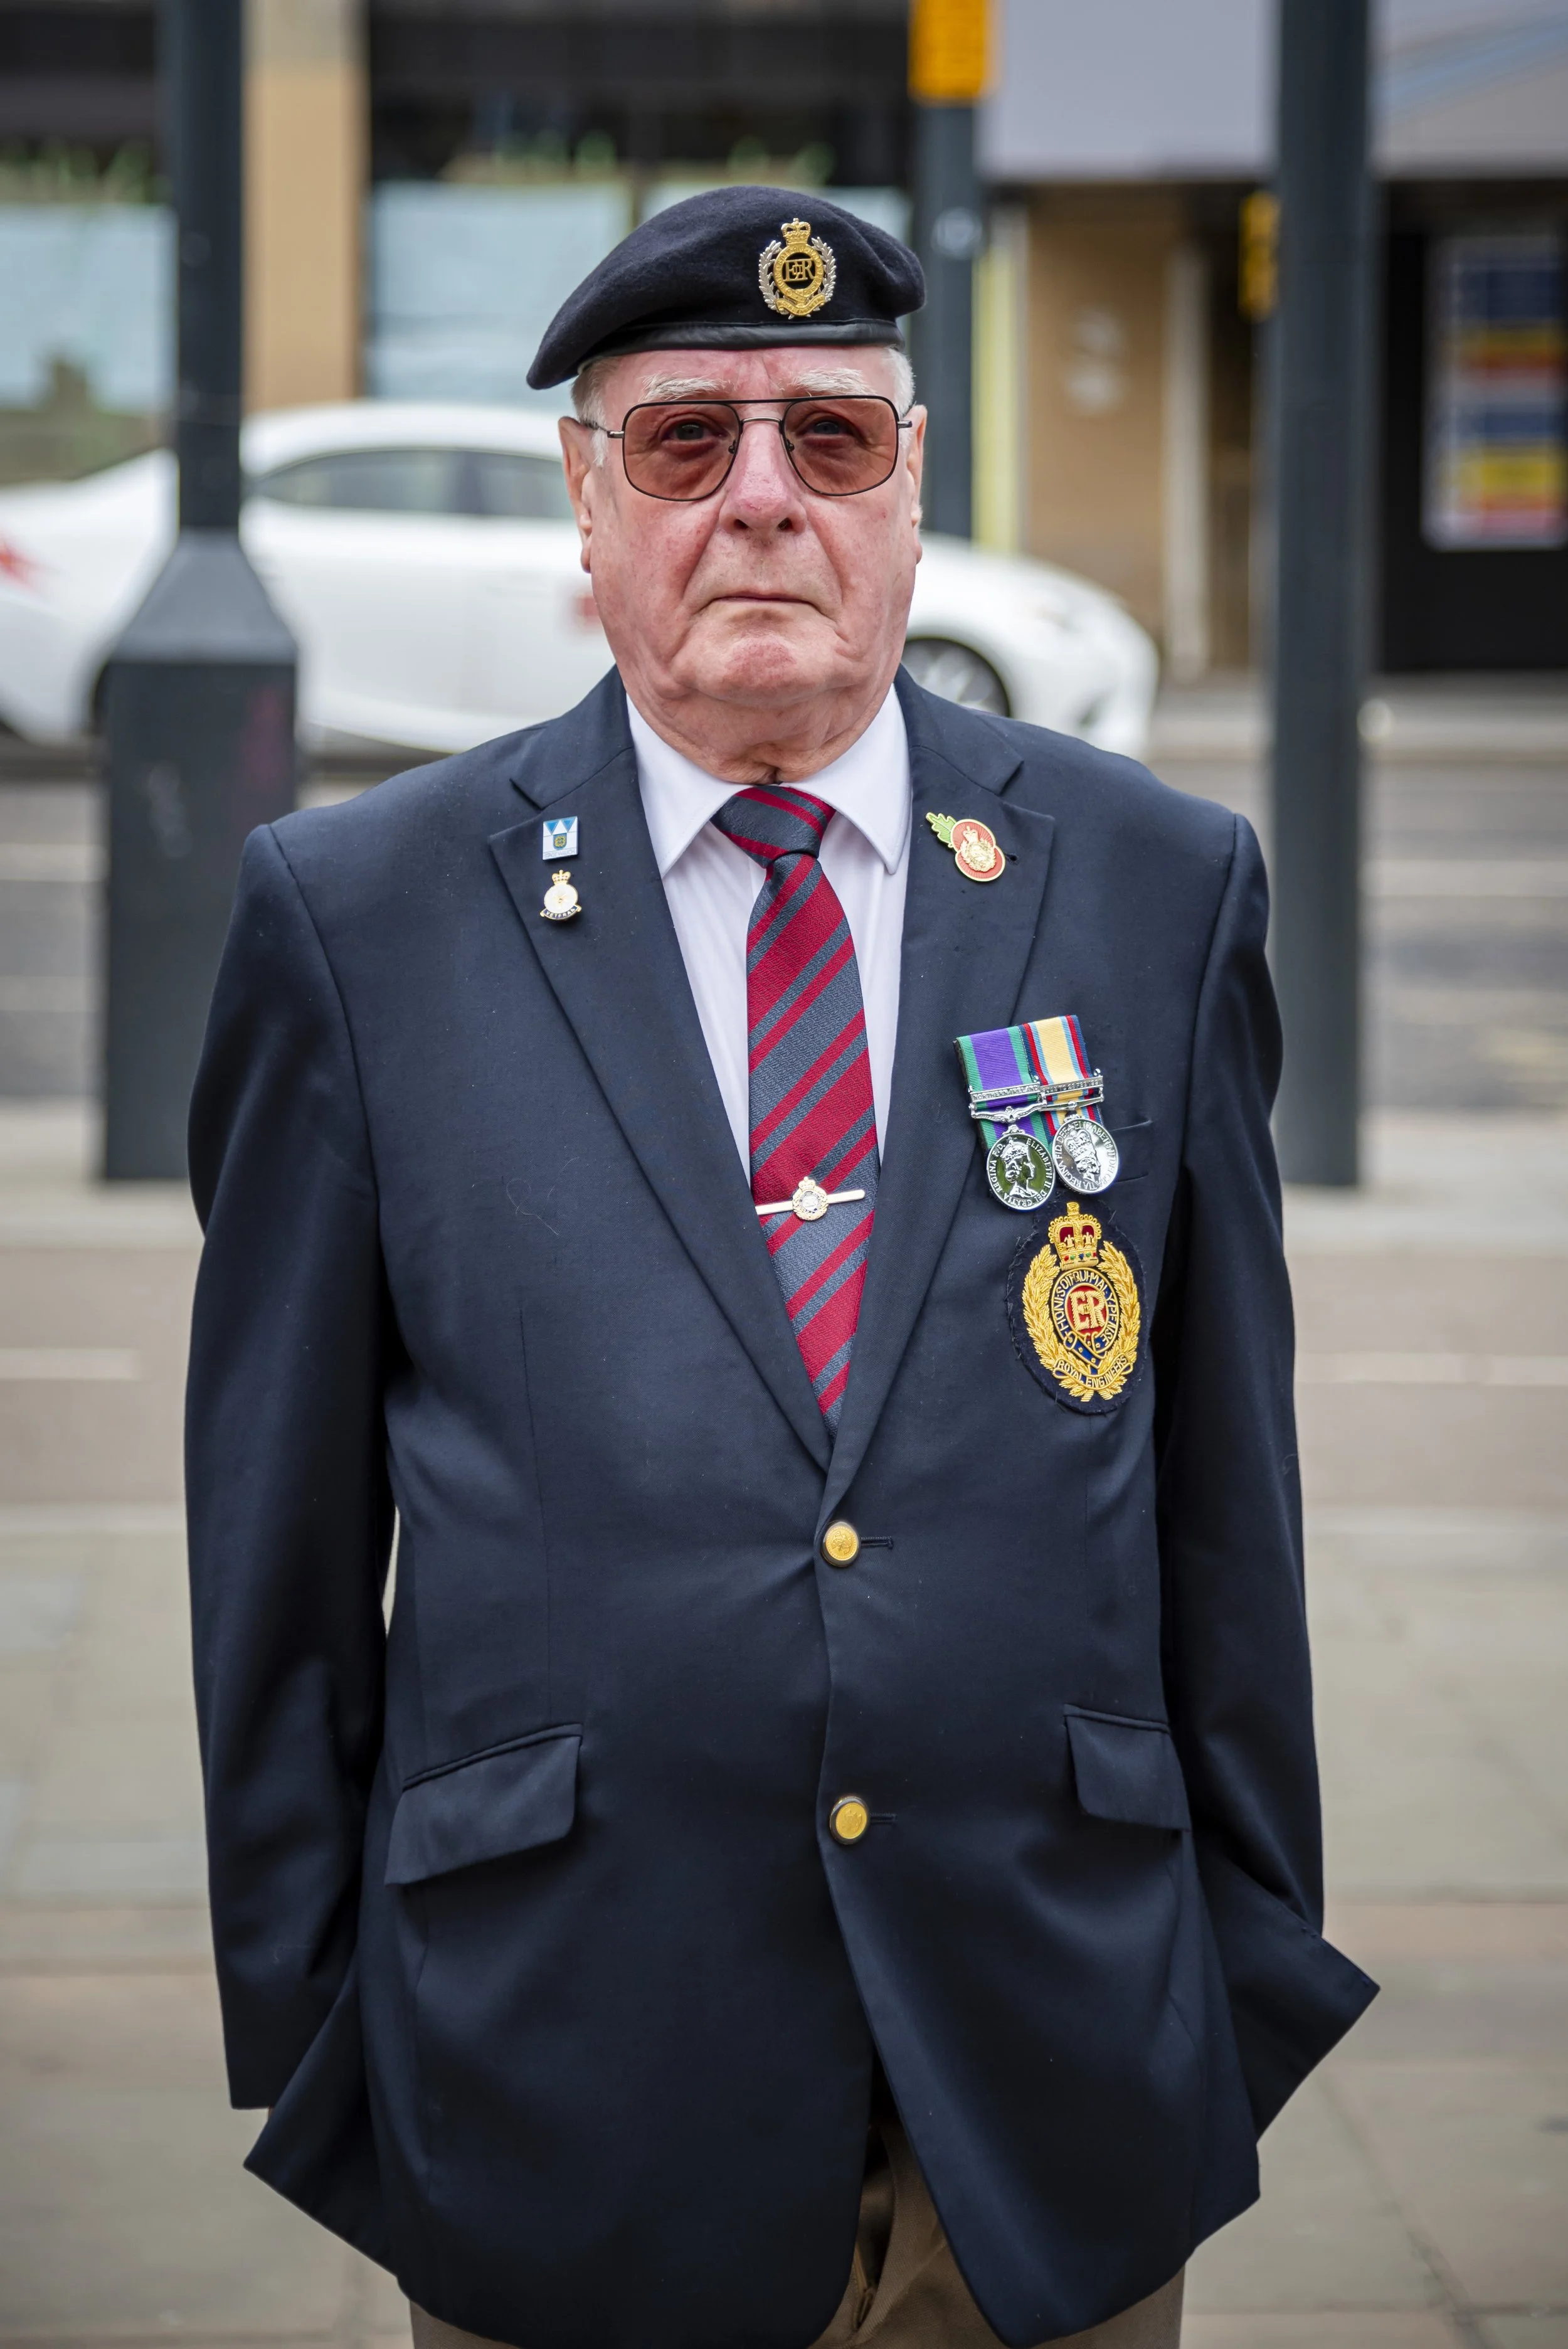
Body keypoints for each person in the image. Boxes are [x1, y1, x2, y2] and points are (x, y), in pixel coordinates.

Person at [184, 187, 1375, 2349]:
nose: (758, 500)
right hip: (563, 2089)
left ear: (910, 492)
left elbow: (1229, 1505)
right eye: (683, 441)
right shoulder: (359, 921)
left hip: (1045, 2085)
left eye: (828, 441)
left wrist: (1240, 1967)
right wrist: (337, 2044)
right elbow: (273, 1566)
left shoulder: (1150, 884)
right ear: (587, 499)